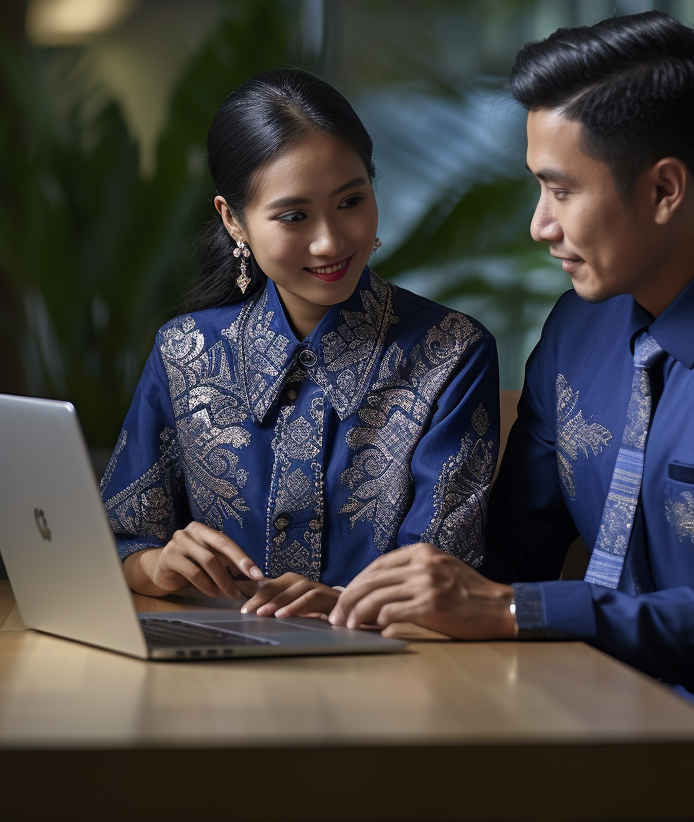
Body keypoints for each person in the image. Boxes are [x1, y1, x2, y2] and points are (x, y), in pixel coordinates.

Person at [329, 13, 694, 818]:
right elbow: (512, 547)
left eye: (560, 189)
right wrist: (353, 598)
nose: (539, 225)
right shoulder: (580, 326)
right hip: (588, 714)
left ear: (662, 188)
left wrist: (509, 612)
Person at [100, 68, 499, 621]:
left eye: (350, 202)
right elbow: (118, 541)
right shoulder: (184, 352)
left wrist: (344, 603)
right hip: (212, 675)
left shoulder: (450, 352)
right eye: (293, 216)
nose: (330, 241)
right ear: (233, 220)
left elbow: (447, 567)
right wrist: (159, 566)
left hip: (392, 674)